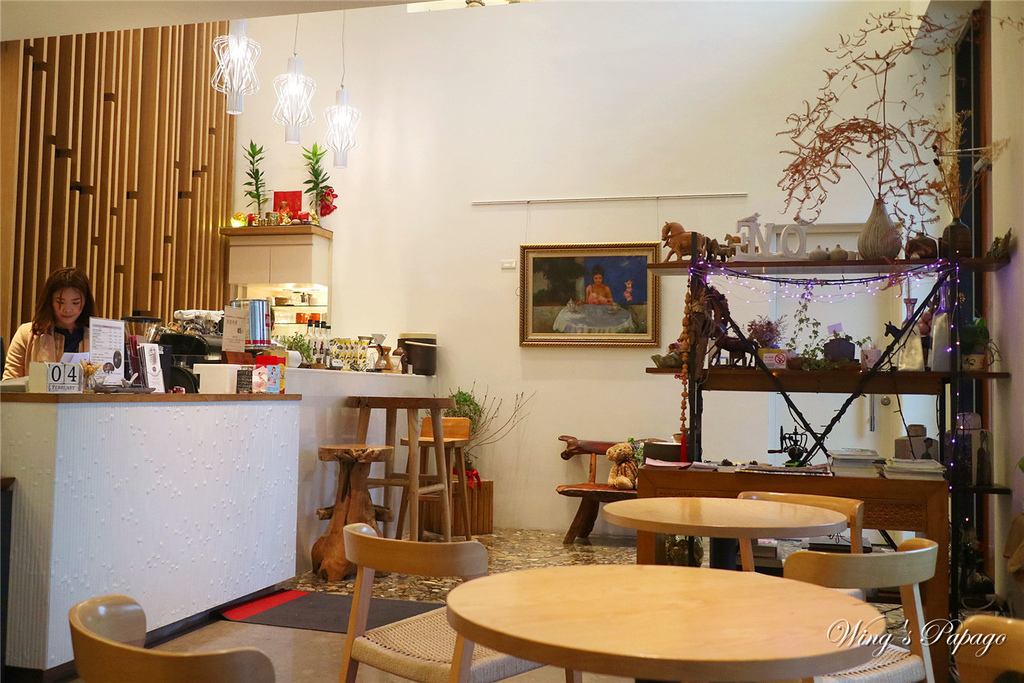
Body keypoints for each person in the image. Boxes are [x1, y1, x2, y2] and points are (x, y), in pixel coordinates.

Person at [3, 267, 96, 379]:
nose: (67, 309)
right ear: (50, 301)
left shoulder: (97, 337)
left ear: (86, 302)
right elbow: (9, 382)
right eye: (60, 302)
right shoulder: (27, 334)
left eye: (75, 303)